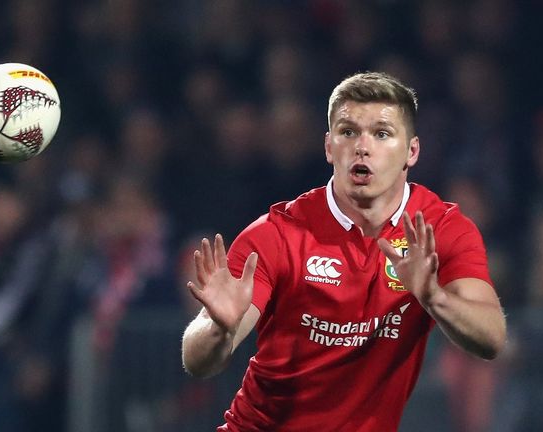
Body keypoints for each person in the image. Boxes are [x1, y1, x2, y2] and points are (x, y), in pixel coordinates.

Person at [180, 71, 507, 431]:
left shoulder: (440, 231)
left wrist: (433, 296)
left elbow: (491, 338)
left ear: (411, 151)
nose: (361, 146)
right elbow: (197, 362)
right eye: (348, 131)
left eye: (381, 134)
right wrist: (218, 331)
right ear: (328, 146)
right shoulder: (276, 234)